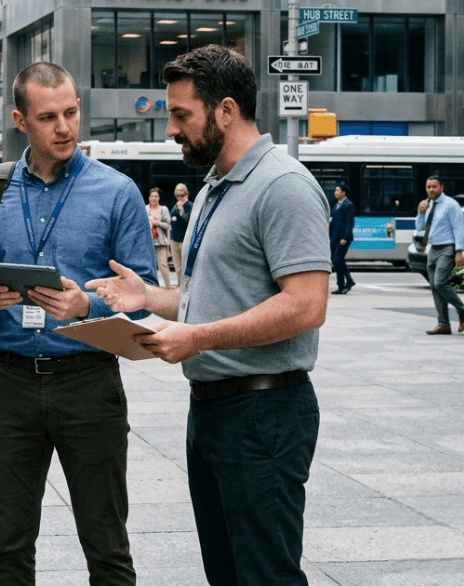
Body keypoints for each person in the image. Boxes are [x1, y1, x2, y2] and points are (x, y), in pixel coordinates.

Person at [87, 44, 330, 586]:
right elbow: (209, 299)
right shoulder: (214, 189)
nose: (171, 129)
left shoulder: (283, 185)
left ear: (225, 111)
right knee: (227, 573)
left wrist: (196, 338)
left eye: (181, 115)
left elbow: (307, 305)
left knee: (265, 574)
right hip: (214, 413)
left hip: (264, 412)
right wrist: (148, 300)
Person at [0, 62, 155, 586]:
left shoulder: (117, 192)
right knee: (10, 546)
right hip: (8, 384)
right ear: (21, 119)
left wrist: (89, 306)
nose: (64, 127)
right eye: (48, 117)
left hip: (89, 383)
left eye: (70, 113)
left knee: (107, 545)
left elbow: (145, 295)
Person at [418, 176, 464, 334]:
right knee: (435, 287)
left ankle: (463, 311)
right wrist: (421, 213)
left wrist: (459, 252)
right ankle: (443, 324)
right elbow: (420, 227)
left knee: (440, 282)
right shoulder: (426, 204)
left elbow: (458, 228)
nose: (431, 190)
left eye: (434, 187)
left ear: (441, 187)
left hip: (447, 248)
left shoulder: (451, 205)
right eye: (428, 187)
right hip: (433, 248)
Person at [330, 184, 356, 294]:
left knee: (338, 260)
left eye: (337, 190)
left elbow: (350, 223)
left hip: (343, 238)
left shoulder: (348, 205)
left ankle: (348, 282)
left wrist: (345, 237)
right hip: (334, 237)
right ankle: (341, 285)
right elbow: (334, 222)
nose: (335, 192)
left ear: (343, 192)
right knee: (337, 262)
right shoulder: (337, 206)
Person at [147, 187, 172, 288]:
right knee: (149, 266)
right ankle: (151, 287)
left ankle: (168, 286)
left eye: (156, 196)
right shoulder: (145, 209)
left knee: (163, 265)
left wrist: (158, 223)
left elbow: (168, 224)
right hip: (148, 242)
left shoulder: (163, 209)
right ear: (149, 197)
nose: (154, 198)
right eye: (152, 196)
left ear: (159, 198)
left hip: (161, 242)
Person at [170, 184, 193, 289]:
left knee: (185, 266)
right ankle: (180, 286)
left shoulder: (190, 206)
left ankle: (187, 286)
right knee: (177, 267)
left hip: (184, 241)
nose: (180, 198)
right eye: (178, 196)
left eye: (182, 195)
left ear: (186, 194)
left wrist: (181, 210)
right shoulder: (175, 207)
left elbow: (189, 221)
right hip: (174, 240)